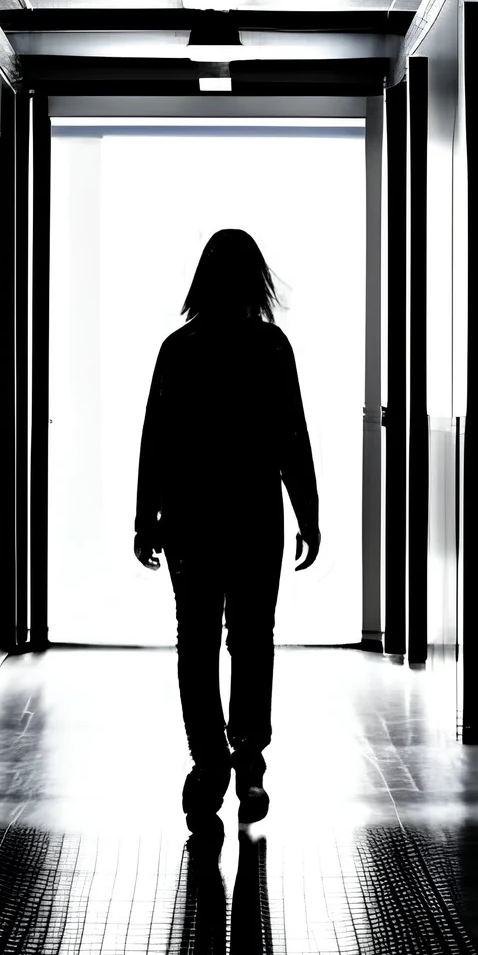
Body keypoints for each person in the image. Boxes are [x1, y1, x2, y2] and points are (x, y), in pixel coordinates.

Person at [134, 227, 320, 827]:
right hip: (255, 518)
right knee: (251, 637)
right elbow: (293, 437)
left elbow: (155, 440)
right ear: (256, 282)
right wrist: (308, 514)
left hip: (190, 519)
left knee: (196, 641)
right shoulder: (272, 349)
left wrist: (145, 517)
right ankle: (250, 757)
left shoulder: (179, 349)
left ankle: (209, 761)